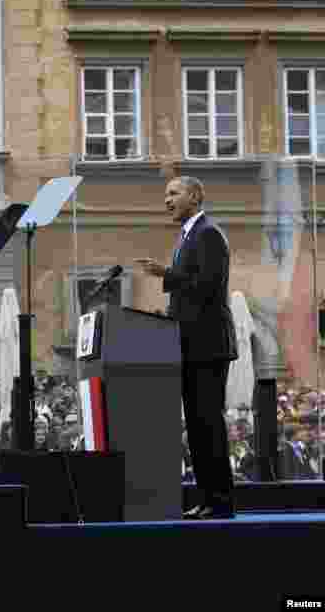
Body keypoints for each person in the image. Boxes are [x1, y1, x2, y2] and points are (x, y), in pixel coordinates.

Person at [136, 176, 237, 520]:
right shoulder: (187, 235)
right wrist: (166, 315)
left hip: (208, 345)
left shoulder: (208, 233)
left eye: (173, 193)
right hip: (190, 344)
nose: (166, 200)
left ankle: (220, 501)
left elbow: (208, 287)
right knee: (196, 426)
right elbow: (189, 293)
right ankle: (207, 498)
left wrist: (166, 273)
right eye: (165, 194)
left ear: (194, 197)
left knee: (208, 424)